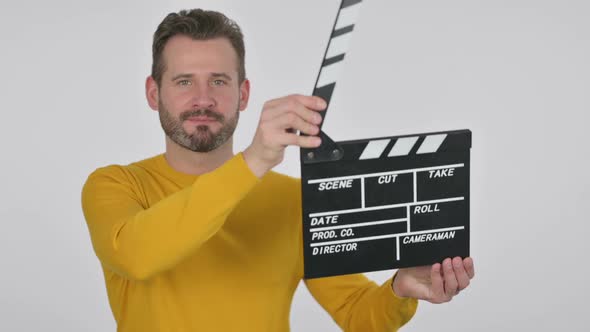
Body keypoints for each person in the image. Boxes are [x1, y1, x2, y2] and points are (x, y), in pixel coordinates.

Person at [81, 8, 475, 332]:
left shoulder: (292, 201)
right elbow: (136, 255)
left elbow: (358, 313)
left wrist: (399, 290)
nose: (203, 99)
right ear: (154, 93)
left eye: (219, 81)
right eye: (184, 81)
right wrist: (254, 160)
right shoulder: (115, 185)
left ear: (243, 93)